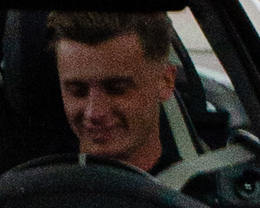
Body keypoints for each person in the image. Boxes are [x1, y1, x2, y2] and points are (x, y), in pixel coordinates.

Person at [48, 9, 178, 173]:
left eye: (116, 90)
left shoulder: (199, 193)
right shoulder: (35, 190)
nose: (93, 113)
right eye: (78, 91)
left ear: (165, 82)